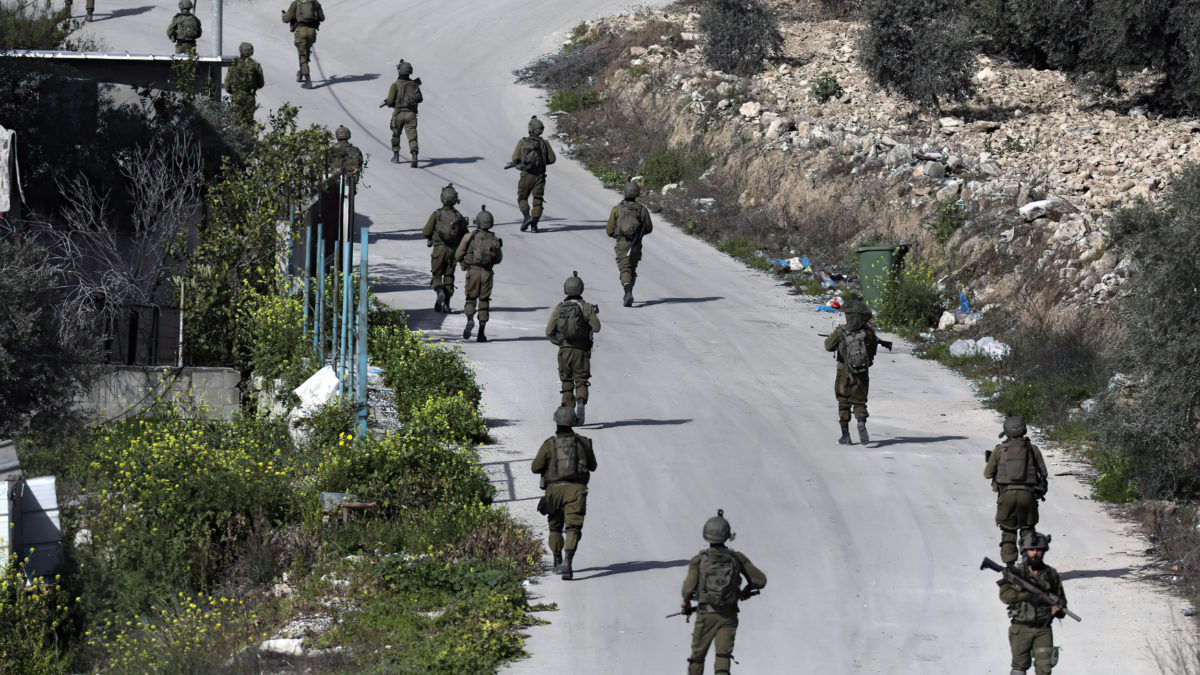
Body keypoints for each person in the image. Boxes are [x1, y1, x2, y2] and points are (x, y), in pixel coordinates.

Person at [680, 510, 767, 675]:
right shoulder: (737, 558)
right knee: (723, 656)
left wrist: (687, 601)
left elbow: (688, 589)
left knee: (697, 658)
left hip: (705, 615)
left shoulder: (698, 560)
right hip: (729, 615)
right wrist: (743, 592)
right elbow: (760, 581)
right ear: (727, 535)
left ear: (706, 535)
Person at [530, 405, 597, 581]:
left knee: (555, 527)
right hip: (576, 491)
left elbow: (535, 467)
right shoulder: (583, 442)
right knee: (573, 527)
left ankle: (556, 559)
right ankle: (568, 560)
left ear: (556, 421)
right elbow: (593, 466)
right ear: (573, 422)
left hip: (553, 490)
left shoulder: (549, 444)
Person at [999, 532, 1067, 674]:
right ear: (1025, 550)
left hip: (1043, 629)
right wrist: (1026, 596)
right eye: (1031, 550)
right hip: (1020, 627)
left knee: (1044, 669)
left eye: (1039, 550)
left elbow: (1062, 603)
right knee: (1019, 668)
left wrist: (1058, 610)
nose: (1035, 553)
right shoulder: (1015, 572)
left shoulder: (1051, 574)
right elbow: (1004, 595)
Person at [984, 415, 1049, 564]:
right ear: (1024, 430)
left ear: (1005, 431)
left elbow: (987, 474)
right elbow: (1043, 473)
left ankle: (1010, 564)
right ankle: (1028, 561)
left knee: (1008, 531)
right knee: (1027, 528)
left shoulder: (1000, 450)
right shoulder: (1032, 450)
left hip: (1006, 495)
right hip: (1028, 495)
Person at [823, 299, 882, 445]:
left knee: (843, 401)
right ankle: (861, 422)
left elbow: (828, 346)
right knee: (859, 400)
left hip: (843, 370)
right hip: (861, 370)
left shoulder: (841, 331)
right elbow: (873, 351)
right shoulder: (868, 332)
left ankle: (845, 435)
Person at [545, 272, 600, 425]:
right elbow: (596, 328)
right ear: (581, 289)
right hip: (581, 351)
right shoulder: (586, 307)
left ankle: (568, 413)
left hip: (564, 351)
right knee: (581, 381)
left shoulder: (560, 308)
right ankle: (581, 401)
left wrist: (560, 343)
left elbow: (549, 331)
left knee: (566, 383)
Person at [456, 206, 503, 342]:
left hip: (473, 271)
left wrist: (464, 262)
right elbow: (499, 259)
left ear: (478, 222)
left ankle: (470, 319)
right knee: (484, 301)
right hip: (487, 273)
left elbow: (458, 254)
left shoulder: (469, 237)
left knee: (471, 299)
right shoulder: (495, 240)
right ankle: (481, 332)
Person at [421, 184, 469, 314]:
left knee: (437, 275)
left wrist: (431, 236)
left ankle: (439, 291)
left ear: (442, 198)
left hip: (439, 248)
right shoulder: (458, 216)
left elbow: (426, 232)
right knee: (449, 275)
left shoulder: (437, 214)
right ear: (455, 200)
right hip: (452, 250)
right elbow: (465, 234)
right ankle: (447, 304)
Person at [605, 180, 653, 307]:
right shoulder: (642, 210)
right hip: (636, 244)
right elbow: (649, 228)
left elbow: (609, 230)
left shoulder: (617, 209)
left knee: (625, 269)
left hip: (622, 243)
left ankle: (627, 291)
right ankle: (629, 291)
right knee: (632, 268)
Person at [510, 115, 556, 232]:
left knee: (522, 197)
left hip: (526, 175)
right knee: (538, 200)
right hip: (540, 176)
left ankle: (526, 217)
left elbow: (515, 158)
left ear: (530, 129)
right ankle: (534, 225)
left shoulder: (523, 142)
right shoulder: (544, 143)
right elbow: (552, 159)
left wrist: (522, 164)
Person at [382, 60, 422, 167]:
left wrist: (389, 104)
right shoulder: (414, 85)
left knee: (396, 135)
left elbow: (390, 101)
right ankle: (414, 156)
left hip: (399, 113)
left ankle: (396, 156)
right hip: (411, 114)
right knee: (412, 136)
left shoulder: (395, 85)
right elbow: (420, 99)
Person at [281, 0, 324, 89]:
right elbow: (322, 18)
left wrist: (283, 15)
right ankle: (301, 73)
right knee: (305, 52)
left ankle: (308, 80)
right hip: (312, 32)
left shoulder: (296, 3)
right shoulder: (315, 2)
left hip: (301, 31)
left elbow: (286, 19)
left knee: (303, 55)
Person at [223, 42, 265, 128]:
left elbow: (227, 84)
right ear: (251, 52)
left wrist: (234, 92)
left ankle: (237, 139)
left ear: (240, 51)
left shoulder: (234, 64)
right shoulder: (255, 65)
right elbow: (261, 83)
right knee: (248, 121)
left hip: (237, 96)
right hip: (249, 97)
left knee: (236, 121)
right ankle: (248, 139)